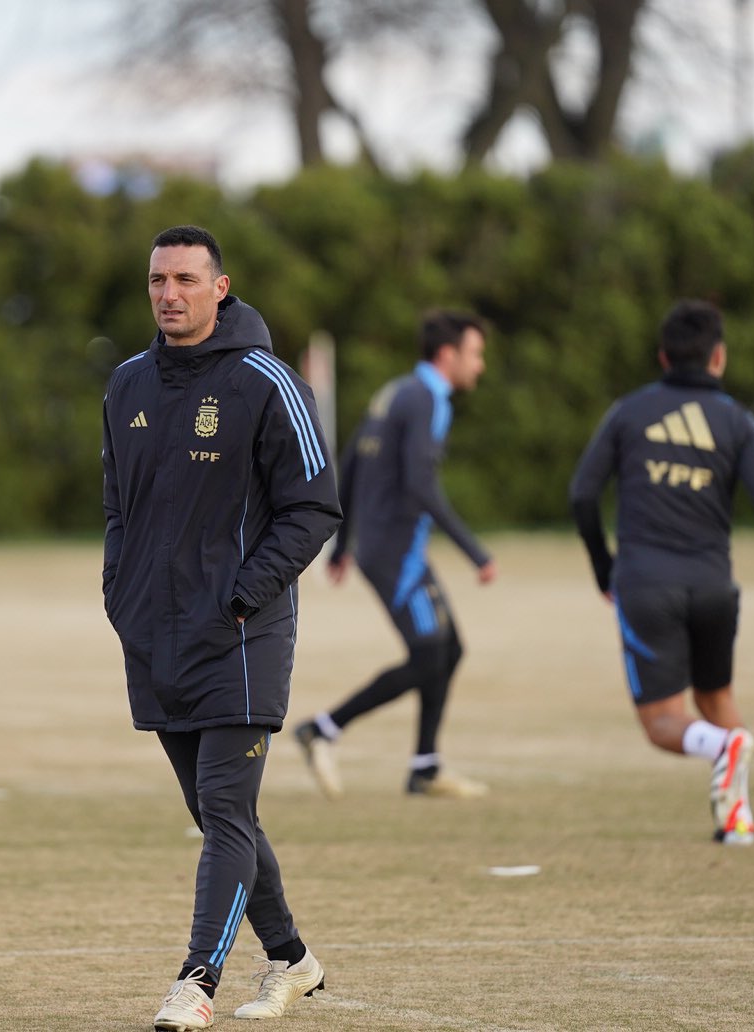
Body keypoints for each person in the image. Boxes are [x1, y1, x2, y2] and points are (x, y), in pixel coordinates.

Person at [102, 225, 343, 1030]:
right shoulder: (127, 385)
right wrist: (121, 595)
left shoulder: (266, 382)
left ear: (220, 287)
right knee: (218, 815)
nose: (168, 293)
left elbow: (314, 507)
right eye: (157, 280)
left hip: (243, 635)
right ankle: (293, 959)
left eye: (185, 279)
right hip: (155, 636)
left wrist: (244, 595)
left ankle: (194, 984)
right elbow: (116, 509)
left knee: (225, 810)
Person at [568, 298, 754, 846]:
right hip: (715, 588)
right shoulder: (738, 421)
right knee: (717, 698)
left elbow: (583, 494)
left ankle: (722, 752)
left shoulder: (629, 411)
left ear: (664, 358)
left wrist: (602, 569)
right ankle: (737, 819)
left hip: (647, 586)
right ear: (719, 358)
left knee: (664, 723)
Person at [291, 310, 496, 801]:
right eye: (475, 354)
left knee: (448, 650)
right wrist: (475, 552)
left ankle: (425, 765)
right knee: (429, 654)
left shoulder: (397, 391)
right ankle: (324, 728)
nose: (480, 366)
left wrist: (342, 545)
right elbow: (420, 484)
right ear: (447, 355)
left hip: (384, 547)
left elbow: (354, 459)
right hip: (396, 552)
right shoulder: (428, 399)